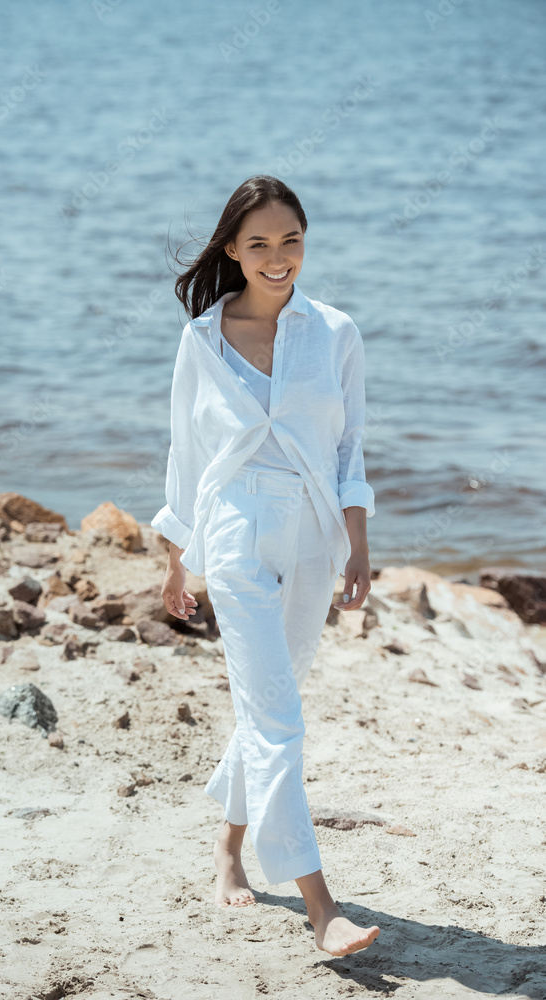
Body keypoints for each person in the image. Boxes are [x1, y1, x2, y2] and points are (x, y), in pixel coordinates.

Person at [151, 174, 380, 958]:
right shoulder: (201, 341)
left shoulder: (336, 333)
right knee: (280, 718)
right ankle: (320, 904)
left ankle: (226, 843)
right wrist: (178, 561)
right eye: (259, 244)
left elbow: (348, 447)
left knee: (271, 700)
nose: (278, 258)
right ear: (230, 251)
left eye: (291, 241)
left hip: (315, 533)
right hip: (237, 529)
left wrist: (359, 544)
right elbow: (186, 456)